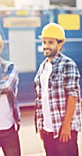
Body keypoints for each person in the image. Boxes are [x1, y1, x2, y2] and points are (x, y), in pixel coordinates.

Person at [34, 22, 81, 156]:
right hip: (48, 131)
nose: (46, 46)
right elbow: (40, 98)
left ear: (60, 44)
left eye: (50, 42)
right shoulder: (43, 67)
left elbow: (73, 96)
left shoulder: (68, 64)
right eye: (44, 42)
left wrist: (66, 127)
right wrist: (42, 126)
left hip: (63, 131)